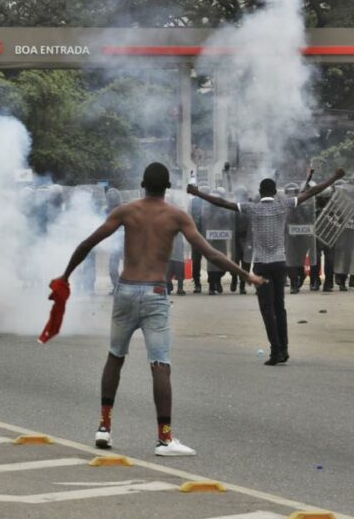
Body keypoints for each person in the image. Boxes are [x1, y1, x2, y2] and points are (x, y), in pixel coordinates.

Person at [54, 163, 264, 457]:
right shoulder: (177, 216)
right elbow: (210, 252)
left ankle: (104, 427)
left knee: (115, 357)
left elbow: (89, 243)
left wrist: (65, 276)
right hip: (154, 293)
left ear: (142, 184)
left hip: (126, 290)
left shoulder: (127, 211)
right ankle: (164, 439)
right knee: (160, 365)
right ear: (167, 188)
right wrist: (246, 276)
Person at [189, 167, 345, 365]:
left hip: (262, 264)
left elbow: (221, 202)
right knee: (280, 307)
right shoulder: (283, 206)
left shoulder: (252, 208)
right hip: (280, 263)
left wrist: (198, 193)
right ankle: (284, 348)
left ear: (261, 192)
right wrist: (334, 177)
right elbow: (311, 192)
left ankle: (275, 350)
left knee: (267, 309)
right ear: (274, 192)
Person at [309, 185, 335, 292]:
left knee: (327, 260)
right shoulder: (313, 207)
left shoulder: (333, 207)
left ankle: (325, 282)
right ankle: (317, 281)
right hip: (317, 236)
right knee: (317, 260)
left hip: (329, 236)